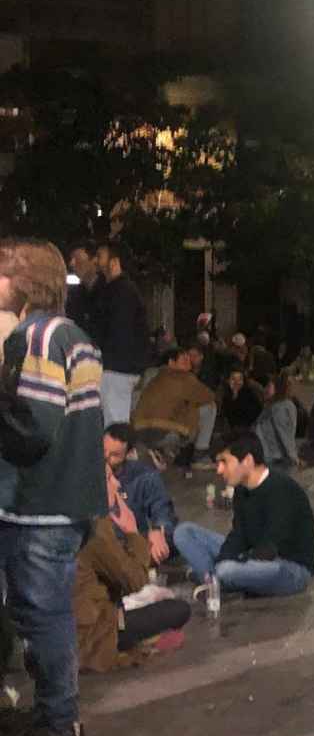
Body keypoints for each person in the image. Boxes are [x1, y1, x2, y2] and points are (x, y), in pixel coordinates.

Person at [0, 239, 106, 736]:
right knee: (44, 612)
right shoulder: (68, 334)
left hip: (38, 506)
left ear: (21, 283)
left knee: (42, 615)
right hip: (60, 503)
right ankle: (57, 718)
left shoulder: (37, 336)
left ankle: (58, 724)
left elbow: (32, 430)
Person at [173, 433, 314, 597]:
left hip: (290, 567)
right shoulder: (242, 490)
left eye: (224, 462)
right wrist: (227, 556)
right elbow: (238, 535)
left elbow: (270, 547)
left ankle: (211, 578)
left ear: (247, 461)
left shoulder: (282, 489)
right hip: (253, 554)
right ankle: (214, 581)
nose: (219, 470)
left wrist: (235, 560)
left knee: (226, 570)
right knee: (184, 532)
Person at [74, 467, 191, 672]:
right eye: (110, 478)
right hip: (95, 632)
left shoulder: (80, 518)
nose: (118, 484)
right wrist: (133, 532)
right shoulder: (94, 527)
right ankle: (145, 641)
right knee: (178, 609)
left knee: (157, 600)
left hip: (87, 621)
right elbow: (135, 581)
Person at [89, 241, 148, 425]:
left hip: (117, 369)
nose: (96, 261)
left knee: (114, 425)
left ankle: (119, 454)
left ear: (114, 262)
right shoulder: (118, 290)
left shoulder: (121, 292)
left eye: (100, 256)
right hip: (118, 367)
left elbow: (118, 331)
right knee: (114, 422)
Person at [132, 345, 218, 468]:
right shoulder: (184, 377)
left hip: (139, 432)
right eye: (184, 360)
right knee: (210, 407)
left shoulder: (156, 375)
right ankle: (200, 455)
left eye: (189, 360)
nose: (188, 363)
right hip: (162, 433)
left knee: (180, 407)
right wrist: (193, 403)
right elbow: (209, 396)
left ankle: (161, 452)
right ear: (171, 362)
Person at [103, 424, 178, 564]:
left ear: (129, 453)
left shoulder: (145, 476)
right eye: (103, 450)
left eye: (114, 455)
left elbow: (162, 509)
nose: (106, 457)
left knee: (175, 539)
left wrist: (157, 531)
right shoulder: (85, 473)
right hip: (97, 544)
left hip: (132, 542)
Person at [253, 372, 302, 469]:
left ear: (278, 388)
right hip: (270, 457)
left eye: (269, 387)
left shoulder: (281, 406)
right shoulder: (274, 406)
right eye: (265, 386)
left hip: (271, 457)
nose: (265, 390)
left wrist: (294, 458)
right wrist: (294, 458)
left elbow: (284, 433)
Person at [218, 368, 263, 434]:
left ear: (243, 381)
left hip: (250, 431)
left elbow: (254, 417)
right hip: (234, 432)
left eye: (239, 379)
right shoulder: (225, 396)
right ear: (228, 381)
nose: (236, 382)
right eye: (233, 379)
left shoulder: (250, 394)